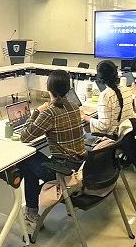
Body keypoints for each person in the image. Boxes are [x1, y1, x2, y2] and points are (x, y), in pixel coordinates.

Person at [19, 70, 86, 230]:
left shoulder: (49, 112)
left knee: (25, 159)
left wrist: (37, 112)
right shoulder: (74, 106)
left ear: (49, 88)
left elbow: (24, 136)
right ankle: (32, 207)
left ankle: (31, 211)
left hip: (62, 170)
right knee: (33, 159)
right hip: (79, 165)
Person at [81, 60, 135, 143]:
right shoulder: (127, 90)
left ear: (100, 77)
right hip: (125, 137)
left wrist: (85, 116)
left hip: (111, 139)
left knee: (84, 131)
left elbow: (103, 126)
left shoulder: (106, 95)